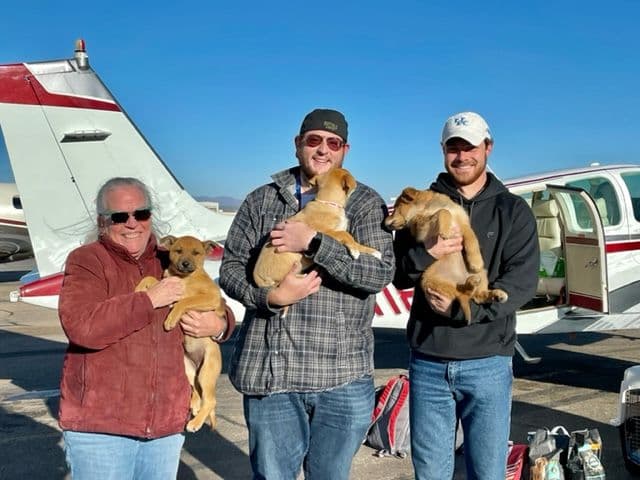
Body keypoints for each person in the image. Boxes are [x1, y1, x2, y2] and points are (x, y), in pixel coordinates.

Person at [219, 108, 395, 479]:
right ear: (298, 144)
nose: (322, 150)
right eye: (313, 140)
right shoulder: (261, 201)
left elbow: (379, 273)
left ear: (344, 149)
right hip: (272, 376)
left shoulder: (364, 203)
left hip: (341, 377)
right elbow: (230, 270)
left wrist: (316, 243)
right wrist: (269, 298)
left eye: (333, 143)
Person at [393, 112, 539, 479]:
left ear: (487, 148)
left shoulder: (514, 211)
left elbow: (520, 283)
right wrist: (428, 251)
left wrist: (467, 312)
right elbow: (397, 275)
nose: (462, 157)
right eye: (453, 148)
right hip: (428, 361)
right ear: (443, 151)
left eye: (470, 147)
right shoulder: (420, 204)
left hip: (488, 362)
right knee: (430, 472)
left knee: (488, 472)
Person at [58, 177, 235, 479]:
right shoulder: (87, 261)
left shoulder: (170, 258)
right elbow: (82, 327)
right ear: (103, 221)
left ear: (151, 217)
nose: (132, 224)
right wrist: (149, 299)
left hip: (164, 428)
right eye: (119, 216)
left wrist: (220, 324)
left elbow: (213, 302)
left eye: (141, 214)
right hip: (102, 427)